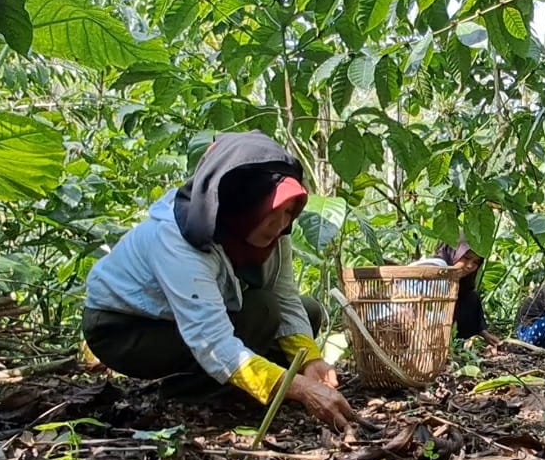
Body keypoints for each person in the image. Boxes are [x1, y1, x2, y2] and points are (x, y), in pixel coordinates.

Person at [82, 131, 358, 430]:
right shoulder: (178, 240)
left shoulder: (277, 232)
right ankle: (191, 393)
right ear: (242, 205)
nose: (281, 225)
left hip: (186, 321)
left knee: (308, 310)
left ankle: (238, 384)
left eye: (289, 212)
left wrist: (309, 362)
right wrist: (301, 389)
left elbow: (286, 297)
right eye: (272, 212)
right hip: (125, 328)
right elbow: (213, 342)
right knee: (262, 312)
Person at [434, 237, 500, 346]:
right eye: (466, 258)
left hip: (455, 341)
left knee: (471, 297)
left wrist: (483, 332)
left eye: (475, 262)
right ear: (453, 253)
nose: (470, 266)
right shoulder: (432, 270)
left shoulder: (467, 293)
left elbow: (471, 309)